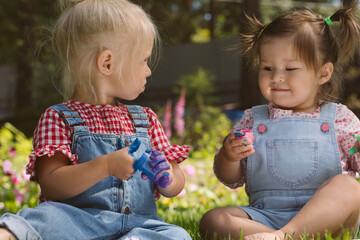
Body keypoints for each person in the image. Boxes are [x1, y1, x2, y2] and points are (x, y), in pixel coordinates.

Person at [0, 0, 192, 239]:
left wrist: (168, 179)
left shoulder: (145, 119)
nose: (148, 70)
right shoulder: (59, 118)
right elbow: (52, 184)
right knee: (46, 218)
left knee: (176, 235)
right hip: (79, 223)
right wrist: (107, 165)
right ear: (107, 63)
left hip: (139, 225)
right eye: (143, 60)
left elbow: (175, 182)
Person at [199, 2, 360, 240]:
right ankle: (284, 236)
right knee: (213, 220)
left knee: (348, 187)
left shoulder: (340, 118)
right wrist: (228, 156)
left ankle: (284, 236)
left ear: (323, 73)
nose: (277, 77)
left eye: (291, 68)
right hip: (265, 216)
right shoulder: (253, 118)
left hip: (327, 220)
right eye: (267, 67)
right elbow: (230, 178)